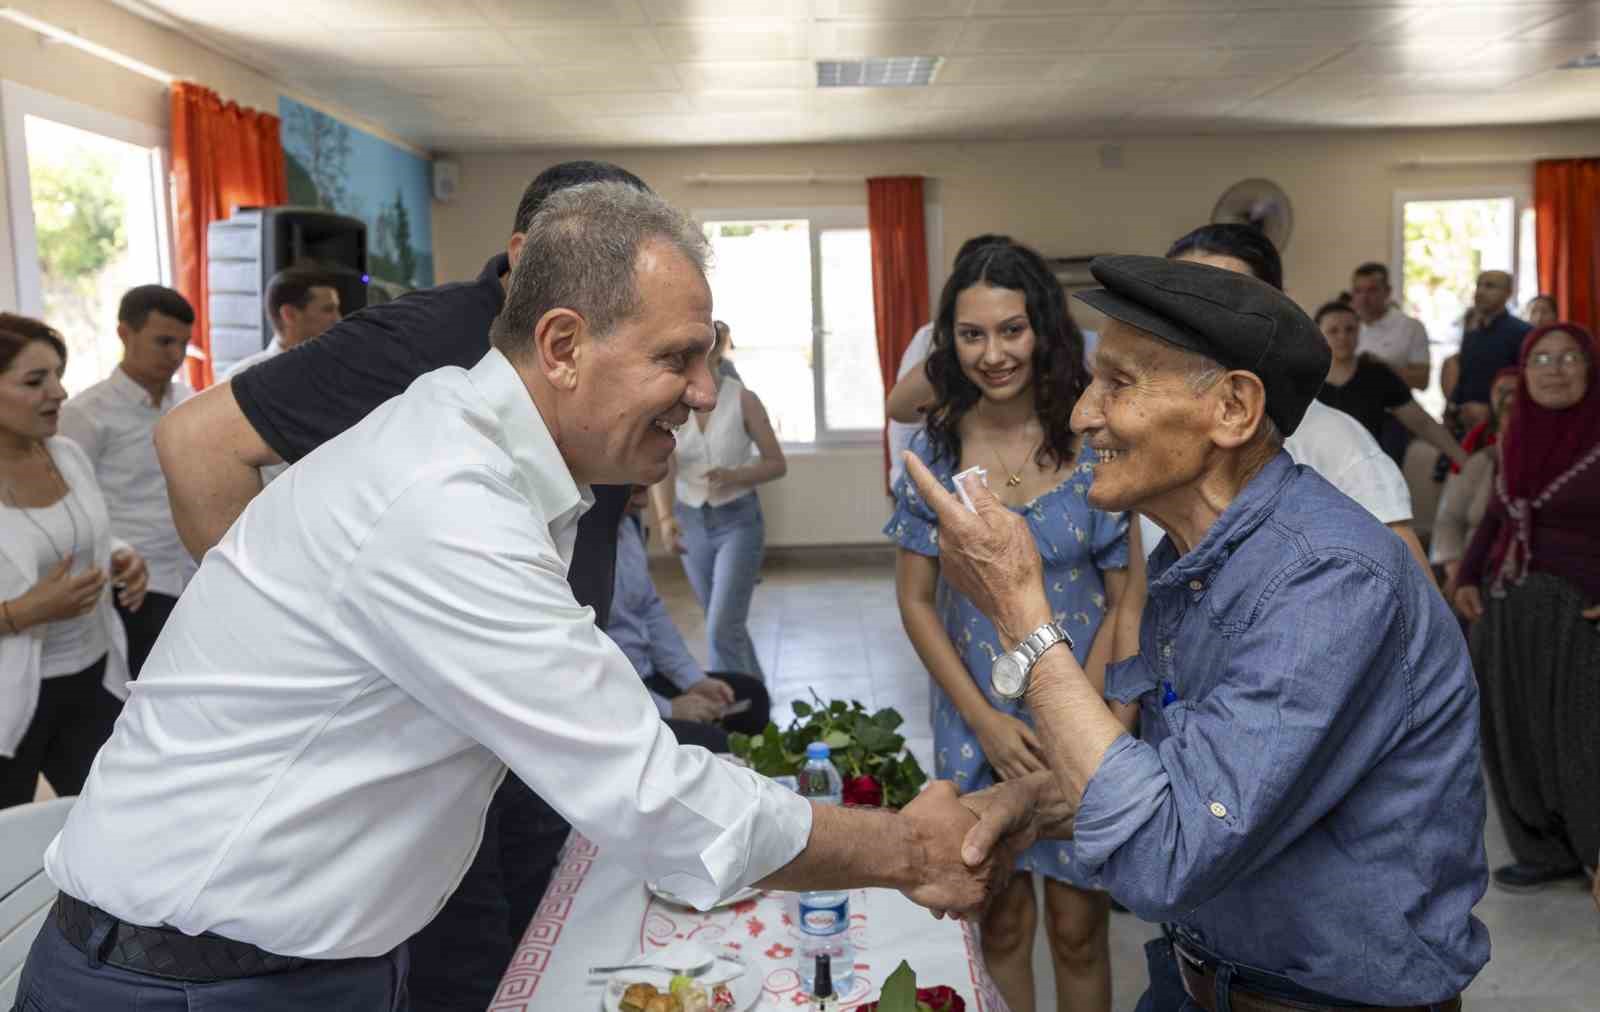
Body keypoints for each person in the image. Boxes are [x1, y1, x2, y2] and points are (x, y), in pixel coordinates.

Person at [18, 183, 1002, 1011]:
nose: (705, 392)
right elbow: (654, 799)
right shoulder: (442, 495)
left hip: (285, 964)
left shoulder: (487, 456)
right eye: (678, 357)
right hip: (182, 984)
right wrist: (908, 844)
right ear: (562, 344)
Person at [154, 159, 654, 1012]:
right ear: (523, 256)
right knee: (463, 970)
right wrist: (299, 636)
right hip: (425, 742)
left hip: (531, 709)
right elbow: (196, 442)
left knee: (549, 945)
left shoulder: (605, 348)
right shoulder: (427, 337)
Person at [930, 254, 1488, 1011]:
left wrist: (1022, 615)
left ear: (1232, 409)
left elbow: (1166, 854)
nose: (1082, 414)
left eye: (1119, 384)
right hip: (1199, 978)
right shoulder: (1197, 557)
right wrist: (1031, 803)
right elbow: (1190, 775)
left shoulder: (1327, 581)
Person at [886, 238, 1128, 1012]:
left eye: (1012, 330)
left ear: (1044, 332)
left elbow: (1130, 598)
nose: (994, 353)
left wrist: (1080, 716)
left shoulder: (1096, 443)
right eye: (973, 334)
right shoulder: (935, 447)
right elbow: (918, 601)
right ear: (948, 344)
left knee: (1080, 925)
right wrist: (985, 721)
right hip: (977, 720)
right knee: (1000, 920)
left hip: (1085, 710)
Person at [1162, 224, 1434, 578]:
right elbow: (1135, 606)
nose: (1202, 319)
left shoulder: (1333, 441)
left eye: (1229, 300)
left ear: (1276, 310)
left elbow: (1419, 609)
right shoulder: (1150, 443)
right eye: (1184, 299)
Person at [1451, 323, 1600, 894]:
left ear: (1589, 367)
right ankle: (1543, 850)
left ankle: (1593, 848)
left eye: (1569, 357)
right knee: (1514, 735)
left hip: (1581, 615)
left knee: (1582, 738)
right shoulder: (1518, 433)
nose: (1555, 369)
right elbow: (1497, 514)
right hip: (1510, 606)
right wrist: (1466, 574)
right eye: (1541, 359)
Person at [0, 318, 148, 808]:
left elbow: (84, 534)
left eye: (58, 375)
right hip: (11, 700)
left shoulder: (65, 454)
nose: (59, 392)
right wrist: (25, 611)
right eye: (34, 381)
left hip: (93, 676)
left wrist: (120, 555)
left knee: (113, 821)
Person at [57, 286, 193, 679]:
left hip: (189, 571)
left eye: (183, 343)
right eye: (164, 341)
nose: (176, 355)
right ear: (124, 334)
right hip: (131, 585)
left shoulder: (189, 400)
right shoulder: (85, 414)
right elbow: (71, 507)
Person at [651, 320, 786, 679]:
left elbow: (776, 463)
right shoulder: (670, 403)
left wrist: (735, 475)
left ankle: (733, 720)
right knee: (724, 625)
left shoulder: (743, 399)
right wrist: (666, 520)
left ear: (715, 353)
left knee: (721, 628)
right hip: (691, 521)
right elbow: (662, 465)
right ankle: (758, 711)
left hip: (739, 521)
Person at [605, 484, 769, 754]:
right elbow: (594, 672)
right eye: (636, 493)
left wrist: (693, 679)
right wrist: (669, 708)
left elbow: (650, 609)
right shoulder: (575, 552)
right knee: (713, 743)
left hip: (649, 675)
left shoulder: (627, 529)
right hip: (620, 698)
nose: (645, 503)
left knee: (752, 697)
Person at [1313, 300, 1467, 469]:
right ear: (1319, 334)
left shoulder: (1377, 375)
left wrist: (1464, 460)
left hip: (1365, 473)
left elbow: (1422, 422)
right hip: (1315, 471)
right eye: (1333, 331)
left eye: (1350, 329)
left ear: (1359, 331)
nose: (1342, 337)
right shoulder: (1305, 379)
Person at [1432, 367, 1518, 584]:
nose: (1508, 399)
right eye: (1501, 391)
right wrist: (1455, 569)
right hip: (1473, 572)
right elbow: (1448, 517)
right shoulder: (1481, 457)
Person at [222, 266, 344, 380]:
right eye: (328, 310)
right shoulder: (241, 380)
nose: (338, 319)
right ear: (289, 314)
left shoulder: (342, 371)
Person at [1450, 270, 1530, 432]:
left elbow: (1526, 382)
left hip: (1505, 424)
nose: (1480, 292)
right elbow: (1464, 377)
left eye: (1490, 286)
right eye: (1479, 285)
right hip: (1466, 423)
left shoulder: (1523, 332)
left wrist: (1492, 410)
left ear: (1508, 293)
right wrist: (1453, 407)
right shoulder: (1472, 333)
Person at [1351, 261, 1430, 389]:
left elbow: (1422, 382)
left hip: (1392, 406)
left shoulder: (1411, 327)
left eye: (1372, 290)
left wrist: (1383, 367)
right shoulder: (1344, 328)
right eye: (1358, 291)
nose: (1364, 298)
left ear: (1387, 291)